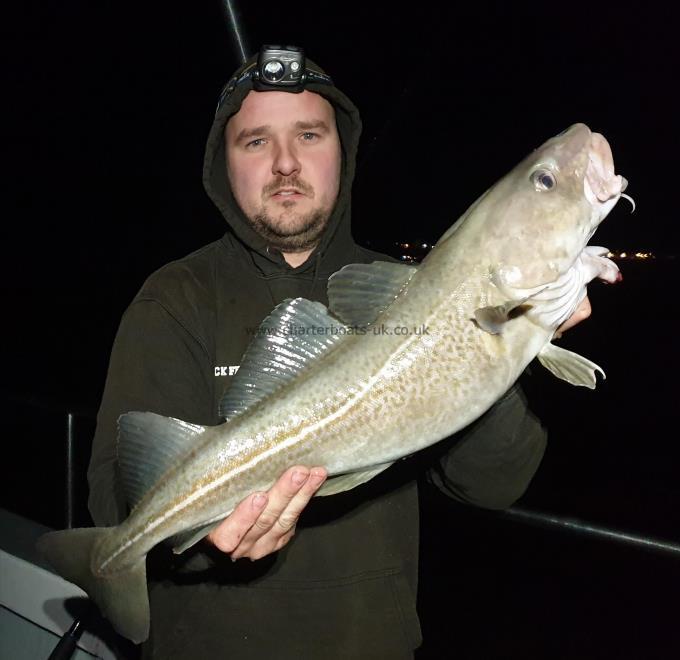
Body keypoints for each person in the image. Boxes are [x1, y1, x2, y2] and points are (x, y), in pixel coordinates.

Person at [87, 46, 591, 659]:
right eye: (255, 142)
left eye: (309, 134)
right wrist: (198, 550)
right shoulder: (175, 299)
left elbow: (491, 487)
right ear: (223, 164)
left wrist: (512, 337)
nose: (286, 163)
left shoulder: (406, 287)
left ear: (342, 151)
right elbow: (116, 492)